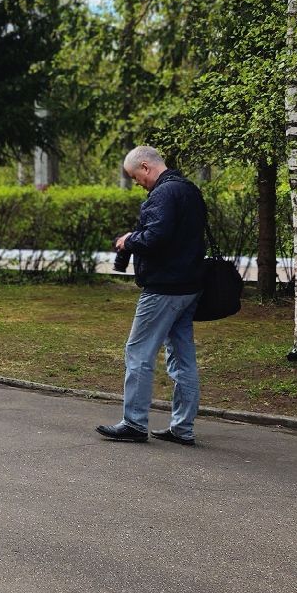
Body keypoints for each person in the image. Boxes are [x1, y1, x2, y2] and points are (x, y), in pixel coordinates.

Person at [97, 146, 207, 446]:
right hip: (189, 286)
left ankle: (134, 423)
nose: (138, 183)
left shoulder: (163, 194)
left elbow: (156, 237)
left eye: (136, 177)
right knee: (183, 358)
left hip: (164, 288)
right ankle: (182, 428)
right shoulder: (189, 190)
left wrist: (129, 239)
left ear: (145, 167)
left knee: (138, 353)